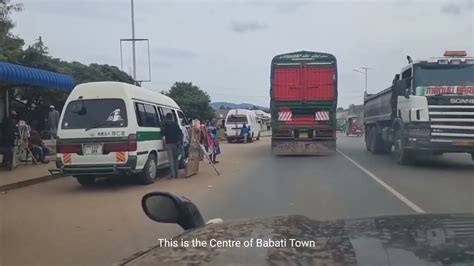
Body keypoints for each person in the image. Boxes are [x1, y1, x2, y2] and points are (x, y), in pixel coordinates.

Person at [161, 113, 183, 179]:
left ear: (166, 117)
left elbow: (162, 132)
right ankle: (176, 174)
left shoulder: (164, 124)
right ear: (172, 117)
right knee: (176, 159)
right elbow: (180, 133)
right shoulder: (175, 124)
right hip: (175, 143)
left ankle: (172, 175)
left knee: (171, 160)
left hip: (168, 143)